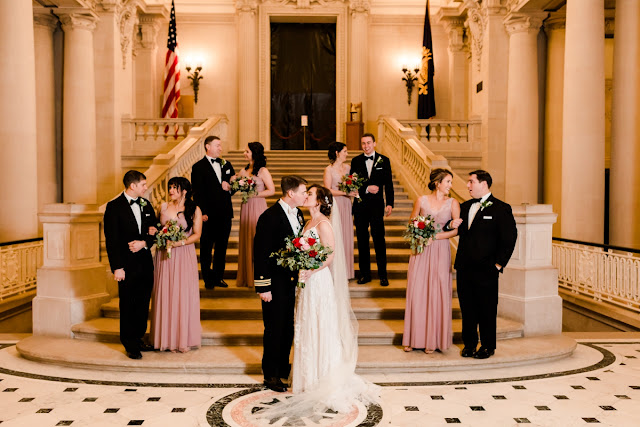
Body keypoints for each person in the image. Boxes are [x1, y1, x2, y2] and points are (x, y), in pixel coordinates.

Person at [257, 185, 379, 421]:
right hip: (304, 282)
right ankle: (307, 377)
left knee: (320, 324)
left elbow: (330, 254)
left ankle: (322, 376)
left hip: (317, 280)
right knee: (305, 324)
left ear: (320, 201)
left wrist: (312, 269)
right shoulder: (305, 221)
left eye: (310, 194)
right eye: (306, 193)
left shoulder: (323, 223)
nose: (306, 196)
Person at [446, 170, 517, 359]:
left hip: (487, 270)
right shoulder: (465, 206)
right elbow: (450, 225)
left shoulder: (501, 208)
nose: (468, 185)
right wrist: (450, 225)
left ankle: (487, 346)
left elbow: (509, 239)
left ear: (483, 184)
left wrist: (498, 265)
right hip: (464, 268)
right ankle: (469, 345)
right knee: (467, 309)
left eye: (471, 182)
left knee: (486, 309)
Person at [254, 175, 307, 393]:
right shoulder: (269, 216)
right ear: (290, 193)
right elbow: (261, 253)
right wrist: (263, 287)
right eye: (303, 192)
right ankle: (271, 374)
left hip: (291, 280)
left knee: (287, 328)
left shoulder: (299, 214)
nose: (306, 195)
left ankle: (283, 367)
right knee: (274, 328)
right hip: (274, 283)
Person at [402, 169, 460, 353]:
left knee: (436, 291)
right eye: (448, 182)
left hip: (440, 250)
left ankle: (432, 340)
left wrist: (435, 237)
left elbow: (456, 231)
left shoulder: (453, 203)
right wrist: (420, 236)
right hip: (420, 250)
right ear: (438, 183)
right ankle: (413, 338)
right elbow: (412, 223)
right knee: (417, 290)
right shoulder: (422, 200)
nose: (451, 185)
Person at [103, 170, 157, 360]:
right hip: (126, 265)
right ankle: (129, 343)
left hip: (145, 263)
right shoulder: (114, 207)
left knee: (143, 303)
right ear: (133, 186)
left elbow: (154, 231)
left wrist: (145, 243)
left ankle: (139, 337)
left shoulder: (146, 204)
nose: (146, 187)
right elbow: (112, 240)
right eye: (143, 184)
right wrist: (117, 267)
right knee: (128, 304)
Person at [149, 177, 203, 352]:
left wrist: (179, 243)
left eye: (175, 187)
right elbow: (157, 228)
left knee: (182, 294)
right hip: (164, 255)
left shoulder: (194, 209)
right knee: (164, 293)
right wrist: (157, 232)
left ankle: (181, 338)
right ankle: (164, 337)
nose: (171, 190)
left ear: (184, 191)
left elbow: (197, 234)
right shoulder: (163, 207)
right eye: (170, 187)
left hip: (184, 254)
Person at [191, 135, 235, 289]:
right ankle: (208, 279)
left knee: (222, 248)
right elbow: (197, 193)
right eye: (217, 145)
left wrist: (229, 187)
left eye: (220, 145)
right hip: (207, 215)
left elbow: (234, 188)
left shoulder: (227, 164)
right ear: (208, 147)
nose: (220, 148)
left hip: (225, 214)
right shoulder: (198, 167)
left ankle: (218, 277)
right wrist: (200, 213)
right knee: (206, 248)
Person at [350, 133, 394, 287]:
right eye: (363, 143)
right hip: (360, 207)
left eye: (368, 143)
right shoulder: (355, 161)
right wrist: (367, 188)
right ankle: (365, 274)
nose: (366, 146)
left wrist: (390, 203)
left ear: (374, 143)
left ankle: (383, 275)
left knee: (379, 241)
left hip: (376, 207)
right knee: (362, 242)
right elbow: (351, 183)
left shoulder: (384, 160)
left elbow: (388, 184)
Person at [235, 142, 275, 287]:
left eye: (247, 151)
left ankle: (259, 275)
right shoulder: (243, 171)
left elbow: (271, 190)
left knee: (258, 239)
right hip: (246, 207)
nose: (244, 153)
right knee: (247, 238)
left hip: (258, 206)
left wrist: (255, 194)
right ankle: (247, 276)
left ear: (254, 153)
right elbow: (237, 187)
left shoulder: (263, 171)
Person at [323, 141, 356, 280]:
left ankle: (346, 272)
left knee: (346, 235)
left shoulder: (348, 168)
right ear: (337, 153)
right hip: (336, 204)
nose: (347, 154)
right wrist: (344, 193)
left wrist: (353, 190)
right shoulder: (328, 169)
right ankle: (334, 271)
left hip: (347, 204)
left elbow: (353, 184)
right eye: (345, 151)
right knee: (335, 236)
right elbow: (327, 190)